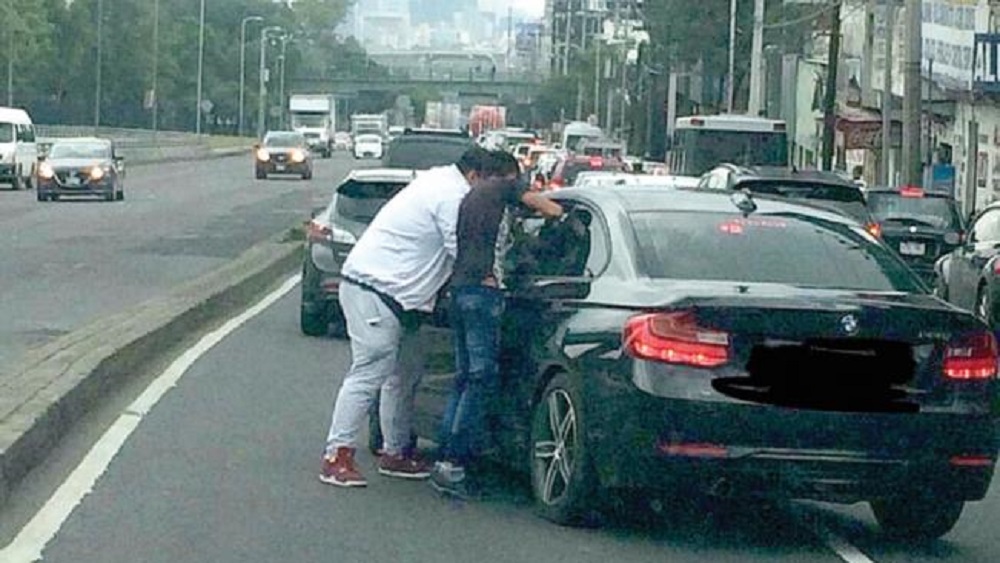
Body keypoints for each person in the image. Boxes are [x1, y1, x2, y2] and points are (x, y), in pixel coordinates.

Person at [320, 147, 513, 488]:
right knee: (369, 372)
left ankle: (395, 452)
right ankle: (337, 455)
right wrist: (490, 276)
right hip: (376, 289)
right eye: (500, 188)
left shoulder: (440, 181)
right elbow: (465, 251)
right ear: (477, 177)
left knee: (405, 373)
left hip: (399, 296)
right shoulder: (452, 197)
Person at [430, 151, 564, 499]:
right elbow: (550, 208)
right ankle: (456, 461)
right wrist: (557, 215)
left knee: (464, 376)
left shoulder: (470, 198)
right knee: (481, 377)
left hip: (459, 291)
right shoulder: (501, 187)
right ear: (508, 175)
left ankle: (445, 455)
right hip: (483, 293)